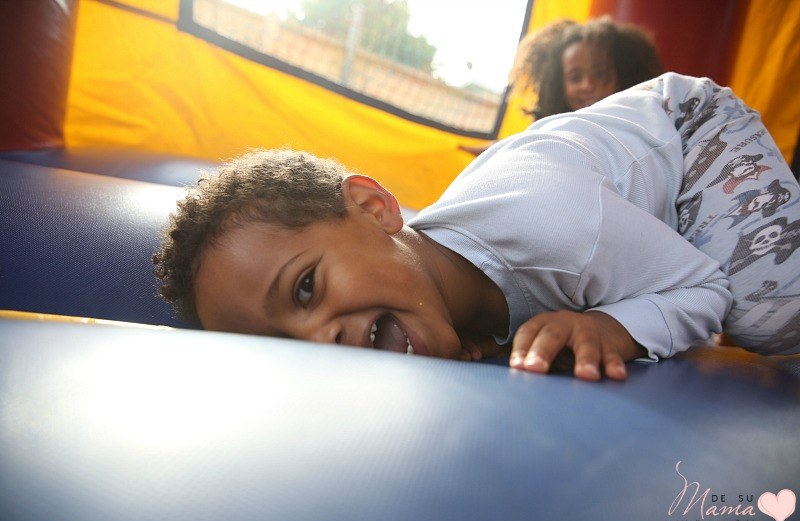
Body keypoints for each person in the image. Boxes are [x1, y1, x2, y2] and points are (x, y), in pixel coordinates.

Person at [154, 73, 800, 382]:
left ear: (375, 209)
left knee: (770, 310)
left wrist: (617, 327)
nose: (318, 341)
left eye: (304, 288)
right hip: (600, 199)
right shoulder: (424, 297)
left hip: (689, 134)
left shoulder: (558, 229)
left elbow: (703, 288)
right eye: (285, 348)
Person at [460, 16, 663, 156]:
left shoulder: (641, 130)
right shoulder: (558, 130)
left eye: (600, 74)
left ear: (624, 74)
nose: (587, 85)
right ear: (558, 86)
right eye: (575, 78)